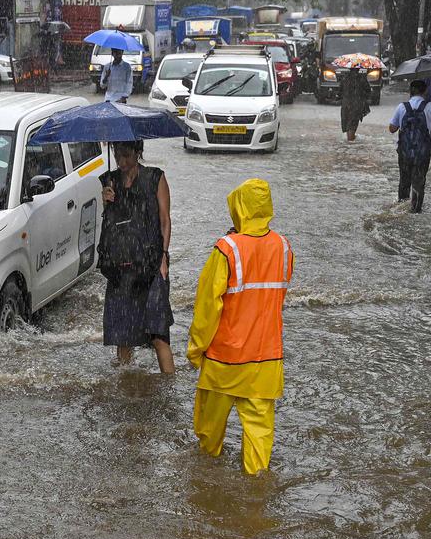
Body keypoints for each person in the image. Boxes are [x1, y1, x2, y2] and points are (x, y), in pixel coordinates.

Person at [188, 178, 293, 475]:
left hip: (225, 360)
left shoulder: (226, 249)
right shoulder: (284, 247)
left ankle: (207, 487)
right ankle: (256, 495)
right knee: (260, 437)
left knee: (209, 436)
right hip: (266, 360)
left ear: (238, 206)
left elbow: (207, 307)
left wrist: (196, 350)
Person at [99, 140, 174, 373]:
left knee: (158, 333)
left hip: (151, 263)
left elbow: (165, 219)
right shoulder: (110, 181)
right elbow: (110, 224)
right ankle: (126, 385)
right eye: (117, 155)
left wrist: (163, 257)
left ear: (138, 152)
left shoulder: (155, 178)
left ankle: (169, 390)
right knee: (123, 336)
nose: (122, 162)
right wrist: (106, 200)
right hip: (121, 267)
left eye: (127, 156)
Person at [388, 79, 431, 213]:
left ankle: (401, 209)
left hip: (405, 152)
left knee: (404, 181)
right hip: (422, 152)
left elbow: (392, 129)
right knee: (419, 182)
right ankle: (416, 210)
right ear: (425, 91)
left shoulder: (402, 107)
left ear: (410, 92)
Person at [338, 67, 372, 141]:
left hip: (346, 105)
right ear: (359, 69)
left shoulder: (345, 77)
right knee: (352, 126)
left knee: (347, 125)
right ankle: (350, 143)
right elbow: (368, 91)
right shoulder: (362, 78)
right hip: (356, 105)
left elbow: (339, 92)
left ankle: (349, 142)